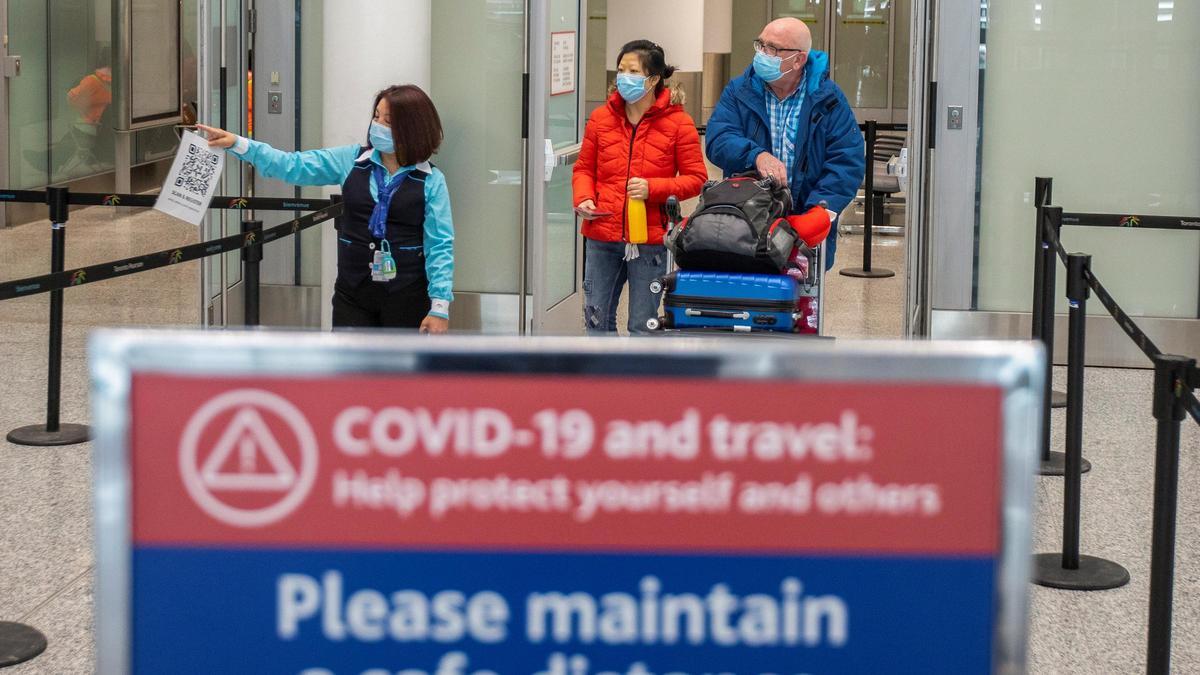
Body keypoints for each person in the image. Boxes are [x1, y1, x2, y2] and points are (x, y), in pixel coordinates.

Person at [198, 84, 453, 333]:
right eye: (376, 117)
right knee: (347, 371)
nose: (378, 126)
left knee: (400, 374)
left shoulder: (431, 180)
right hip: (353, 295)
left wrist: (439, 308)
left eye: (388, 121)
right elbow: (292, 165)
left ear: (411, 129)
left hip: (407, 296)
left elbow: (440, 244)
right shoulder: (350, 160)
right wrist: (239, 144)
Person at [706, 17, 865, 270]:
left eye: (774, 49)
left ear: (799, 59)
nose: (763, 54)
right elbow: (718, 139)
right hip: (746, 222)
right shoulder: (739, 91)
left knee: (798, 304)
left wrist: (820, 210)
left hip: (805, 225)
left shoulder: (828, 99)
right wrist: (756, 155)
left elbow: (847, 159)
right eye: (761, 45)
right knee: (747, 299)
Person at [572, 40, 708, 335]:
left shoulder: (678, 124)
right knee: (596, 319)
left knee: (641, 324)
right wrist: (584, 198)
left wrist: (653, 188)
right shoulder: (601, 118)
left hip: (649, 240)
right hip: (601, 234)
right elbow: (584, 168)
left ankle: (636, 380)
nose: (624, 77)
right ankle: (600, 379)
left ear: (654, 78)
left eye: (633, 71)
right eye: (621, 70)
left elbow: (696, 178)